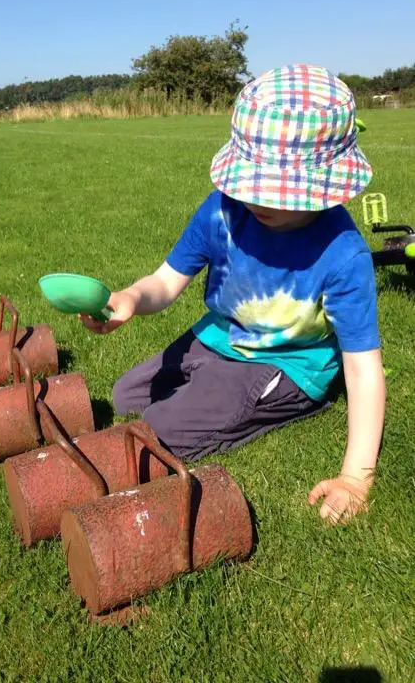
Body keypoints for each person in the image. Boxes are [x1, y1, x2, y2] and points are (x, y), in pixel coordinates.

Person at [80, 64, 385, 525]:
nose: (256, 201)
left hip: (284, 363)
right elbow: (165, 282)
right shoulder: (222, 210)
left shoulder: (343, 254)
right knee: (125, 396)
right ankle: (212, 389)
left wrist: (356, 477)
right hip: (220, 337)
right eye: (251, 185)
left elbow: (363, 369)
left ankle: (282, 405)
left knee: (157, 432)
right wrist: (130, 298)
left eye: (274, 191)